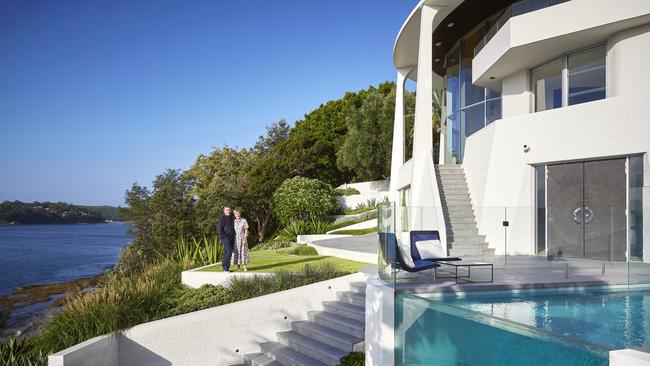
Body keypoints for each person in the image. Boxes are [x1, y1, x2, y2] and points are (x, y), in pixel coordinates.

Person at [218, 206, 235, 272]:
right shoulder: (222, 218)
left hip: (232, 238)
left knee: (228, 252)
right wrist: (223, 237)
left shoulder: (232, 218)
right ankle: (225, 268)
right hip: (225, 238)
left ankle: (226, 268)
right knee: (228, 251)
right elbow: (220, 229)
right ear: (224, 211)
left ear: (230, 211)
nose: (228, 211)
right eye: (226, 210)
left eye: (229, 210)